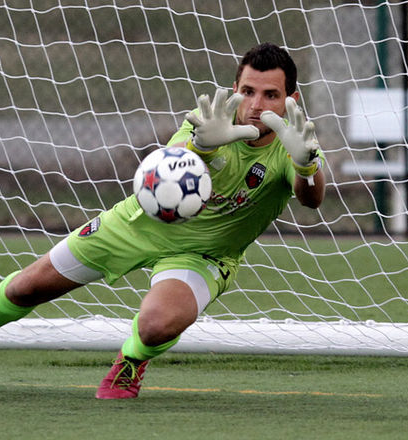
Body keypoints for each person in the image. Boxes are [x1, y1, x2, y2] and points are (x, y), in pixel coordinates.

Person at [0, 42, 325, 399]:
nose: (256, 105)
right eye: (248, 91)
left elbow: (311, 199)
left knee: (156, 325)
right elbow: (169, 164)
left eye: (270, 95)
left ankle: (131, 362)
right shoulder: (207, 123)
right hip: (135, 226)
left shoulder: (296, 143)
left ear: (290, 99)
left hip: (202, 256)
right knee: (23, 288)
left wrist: (306, 167)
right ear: (235, 91)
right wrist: (203, 148)